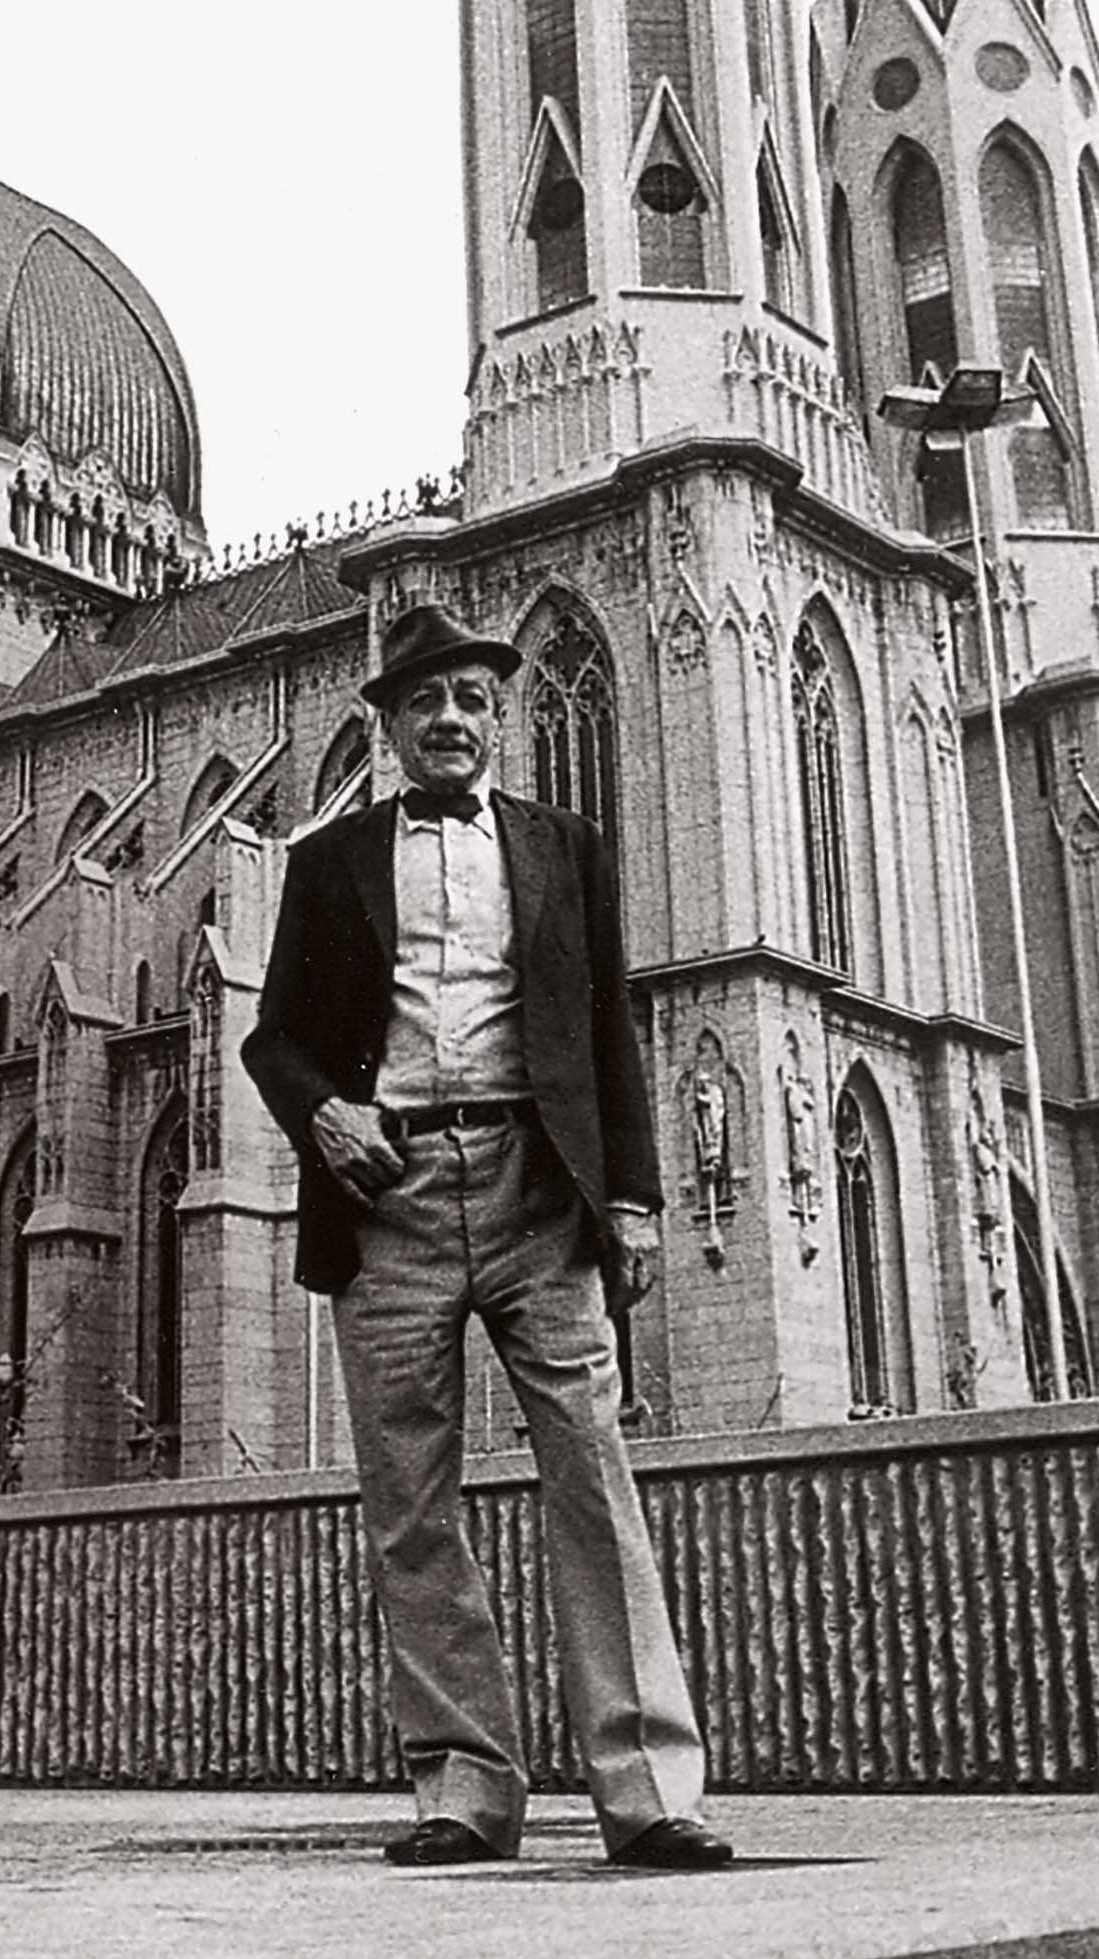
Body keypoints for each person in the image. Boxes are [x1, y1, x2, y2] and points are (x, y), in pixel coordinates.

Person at [242, 600, 732, 1871]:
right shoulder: (328, 861)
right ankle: (463, 1786)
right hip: (390, 1189)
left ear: (497, 719)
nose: (450, 721)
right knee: (411, 1500)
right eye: (425, 705)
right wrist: (322, 1117)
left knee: (592, 1473)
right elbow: (274, 1037)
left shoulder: (567, 847)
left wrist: (631, 1196)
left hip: (537, 1184)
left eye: (470, 702)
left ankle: (649, 1791)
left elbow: (609, 1026)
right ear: (391, 725)